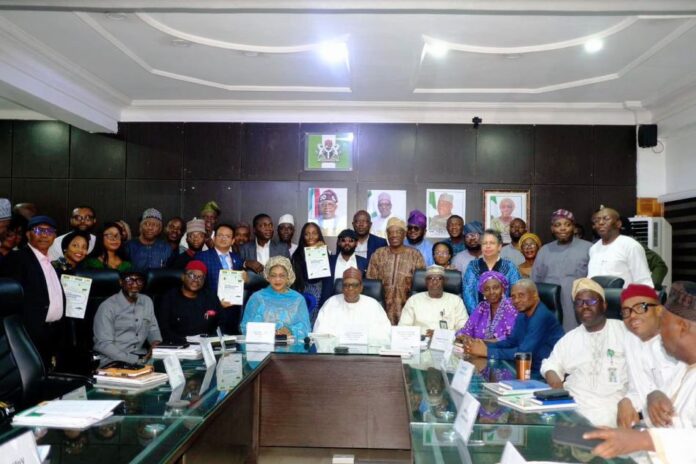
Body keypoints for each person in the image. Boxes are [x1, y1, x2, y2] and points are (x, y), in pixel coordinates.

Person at [540, 278, 628, 427]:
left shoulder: (624, 331)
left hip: (611, 406)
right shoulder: (570, 338)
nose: (585, 307)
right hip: (573, 405)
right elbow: (550, 364)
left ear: (604, 305)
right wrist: (554, 379)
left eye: (591, 301)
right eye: (579, 303)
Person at [0, 215, 65, 368]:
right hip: (28, 334)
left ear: (55, 236)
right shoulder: (16, 259)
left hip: (52, 333)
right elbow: (11, 300)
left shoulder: (53, 262)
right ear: (28, 234)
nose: (44, 235)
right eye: (38, 230)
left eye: (49, 231)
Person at [616, 284, 683, 428]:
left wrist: (655, 395)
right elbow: (638, 388)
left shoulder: (678, 338)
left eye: (641, 307)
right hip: (651, 429)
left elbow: (687, 391)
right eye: (626, 311)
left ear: (659, 310)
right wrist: (627, 401)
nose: (632, 315)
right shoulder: (631, 339)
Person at [463, 279, 564, 375]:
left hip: (543, 372)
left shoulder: (541, 316)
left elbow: (523, 353)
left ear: (535, 295)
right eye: (513, 297)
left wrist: (487, 352)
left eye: (521, 295)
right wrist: (481, 344)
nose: (516, 300)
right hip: (523, 367)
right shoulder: (522, 314)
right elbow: (511, 342)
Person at [644, 281, 696, 428]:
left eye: (663, 323)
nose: (659, 331)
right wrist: (654, 396)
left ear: (682, 328)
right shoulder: (683, 366)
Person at [532, 209, 592, 331]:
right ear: (552, 229)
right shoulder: (544, 250)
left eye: (567, 224)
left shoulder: (588, 248)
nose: (563, 228)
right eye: (557, 225)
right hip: (550, 308)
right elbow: (535, 282)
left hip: (578, 306)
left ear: (574, 227)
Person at [93, 270, 162, 366]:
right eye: (129, 280)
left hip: (143, 357)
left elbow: (153, 329)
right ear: (121, 282)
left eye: (139, 281)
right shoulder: (107, 306)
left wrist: (156, 343)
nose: (134, 285)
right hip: (113, 361)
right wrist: (135, 360)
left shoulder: (147, 301)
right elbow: (103, 344)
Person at [367, 217, 426, 324]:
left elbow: (420, 286)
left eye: (398, 232)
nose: (394, 235)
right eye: (390, 232)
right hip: (381, 310)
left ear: (404, 234)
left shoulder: (415, 255)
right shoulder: (378, 254)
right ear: (387, 235)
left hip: (408, 310)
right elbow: (371, 284)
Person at [157, 260, 231, 344]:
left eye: (200, 277)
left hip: (207, 346)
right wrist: (184, 342)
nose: (196, 280)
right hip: (178, 346)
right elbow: (163, 328)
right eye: (192, 275)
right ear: (183, 277)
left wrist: (211, 341)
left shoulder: (211, 297)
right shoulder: (169, 297)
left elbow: (221, 322)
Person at [314, 267, 392, 346]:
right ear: (342, 288)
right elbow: (320, 333)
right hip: (336, 354)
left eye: (354, 285)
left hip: (366, 355)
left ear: (361, 288)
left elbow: (384, 334)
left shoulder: (373, 305)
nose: (350, 288)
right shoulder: (330, 304)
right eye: (346, 285)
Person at [240, 256, 311, 339]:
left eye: (282, 275)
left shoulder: (298, 299)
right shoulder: (257, 298)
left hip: (291, 349)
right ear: (268, 277)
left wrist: (291, 331)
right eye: (273, 275)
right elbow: (245, 327)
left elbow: (306, 328)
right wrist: (266, 333)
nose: (277, 279)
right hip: (262, 348)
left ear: (288, 277)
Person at [587, 206, 652, 287]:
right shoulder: (593, 248)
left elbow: (643, 281)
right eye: (597, 220)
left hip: (623, 298)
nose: (600, 223)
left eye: (606, 219)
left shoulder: (630, 245)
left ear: (618, 224)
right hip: (597, 298)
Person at [462, 229, 521, 314]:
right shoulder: (473, 266)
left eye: (492, 243)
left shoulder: (509, 267)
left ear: (499, 246)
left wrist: (505, 316)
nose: (488, 246)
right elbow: (468, 293)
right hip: (478, 317)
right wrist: (478, 316)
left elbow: (516, 293)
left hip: (505, 317)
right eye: (485, 243)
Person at [399, 265, 468, 336]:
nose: (435, 282)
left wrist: (440, 335)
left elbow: (463, 328)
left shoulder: (456, 301)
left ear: (444, 281)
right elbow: (403, 327)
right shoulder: (414, 300)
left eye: (439, 278)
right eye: (430, 278)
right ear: (426, 282)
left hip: (447, 343)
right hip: (420, 342)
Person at [456, 271, 518, 341]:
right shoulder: (481, 308)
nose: (491, 292)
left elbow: (514, 337)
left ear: (503, 289)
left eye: (495, 288)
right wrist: (463, 337)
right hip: (477, 349)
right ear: (483, 292)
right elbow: (466, 331)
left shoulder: (512, 307)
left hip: (503, 350)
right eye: (487, 289)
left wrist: (485, 342)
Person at [291, 222, 331, 321]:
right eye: (307, 234)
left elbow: (320, 277)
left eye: (314, 233)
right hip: (302, 296)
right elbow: (305, 277)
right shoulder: (297, 255)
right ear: (302, 236)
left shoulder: (325, 252)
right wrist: (312, 251)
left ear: (319, 235)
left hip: (321, 295)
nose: (311, 237)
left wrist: (317, 252)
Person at [195, 223, 244, 295]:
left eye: (227, 236)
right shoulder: (201, 257)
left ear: (233, 241)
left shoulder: (237, 258)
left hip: (233, 302)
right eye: (220, 235)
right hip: (209, 303)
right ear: (214, 238)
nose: (223, 238)